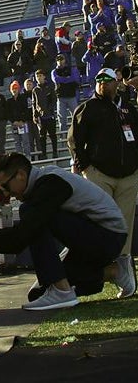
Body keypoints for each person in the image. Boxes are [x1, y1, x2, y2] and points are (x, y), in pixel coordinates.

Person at [0, 153, 134, 309]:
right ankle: (114, 271)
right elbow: (19, 239)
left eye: (6, 187)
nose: (6, 194)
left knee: (31, 215)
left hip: (108, 236)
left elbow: (19, 239)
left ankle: (62, 290)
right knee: (39, 293)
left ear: (20, 175)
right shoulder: (43, 183)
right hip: (96, 235)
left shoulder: (50, 183)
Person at [68, 67, 138, 258]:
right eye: (99, 81)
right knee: (102, 221)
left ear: (116, 83)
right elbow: (74, 140)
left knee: (124, 224)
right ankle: (102, 262)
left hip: (129, 175)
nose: (102, 84)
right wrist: (85, 167)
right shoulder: (87, 108)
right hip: (99, 174)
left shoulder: (128, 108)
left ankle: (123, 263)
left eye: (107, 80)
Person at [31, 70, 58, 159]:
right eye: (37, 76)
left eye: (40, 76)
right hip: (41, 117)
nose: (38, 78)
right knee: (42, 137)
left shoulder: (50, 87)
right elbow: (34, 104)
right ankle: (44, 154)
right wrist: (35, 115)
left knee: (53, 135)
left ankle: (55, 152)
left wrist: (49, 109)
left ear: (44, 76)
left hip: (50, 115)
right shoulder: (35, 90)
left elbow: (54, 99)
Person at [51, 53, 81, 129]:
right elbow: (56, 79)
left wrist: (62, 80)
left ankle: (77, 130)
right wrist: (67, 79)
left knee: (76, 115)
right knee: (62, 117)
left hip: (71, 96)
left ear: (65, 60)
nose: (60, 61)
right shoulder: (54, 71)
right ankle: (63, 133)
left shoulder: (71, 69)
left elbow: (74, 78)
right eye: (58, 60)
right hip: (61, 97)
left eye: (61, 59)